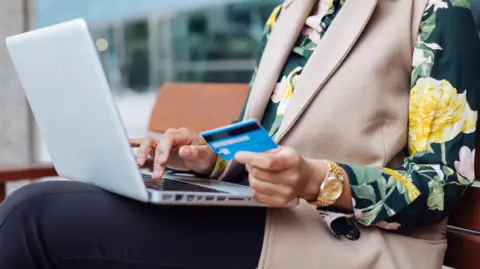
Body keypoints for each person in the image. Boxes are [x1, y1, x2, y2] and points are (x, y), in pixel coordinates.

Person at [1, 0, 479, 268]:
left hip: (347, 243)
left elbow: (441, 184)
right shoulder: (289, 13)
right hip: (267, 217)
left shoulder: (435, 10)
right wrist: (208, 158)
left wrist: (317, 180)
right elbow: (265, 145)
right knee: (53, 205)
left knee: (34, 214)